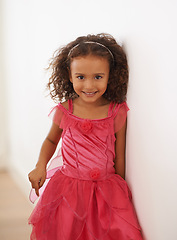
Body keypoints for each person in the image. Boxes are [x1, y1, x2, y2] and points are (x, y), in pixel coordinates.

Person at [28, 33, 143, 239]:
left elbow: (120, 155)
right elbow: (51, 140)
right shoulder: (65, 110)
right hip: (69, 190)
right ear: (70, 76)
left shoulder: (116, 112)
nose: (89, 86)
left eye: (98, 77)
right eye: (81, 77)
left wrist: (120, 192)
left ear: (110, 75)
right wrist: (40, 166)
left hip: (106, 191)